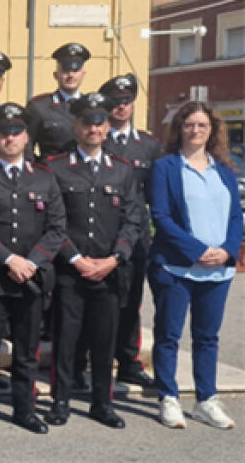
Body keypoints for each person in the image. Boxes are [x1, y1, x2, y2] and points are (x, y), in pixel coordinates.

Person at [0, 103, 66, 434]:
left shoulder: (45, 178)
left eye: (16, 133)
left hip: (30, 279)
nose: (10, 139)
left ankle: (25, 410)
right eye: (3, 133)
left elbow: (57, 228)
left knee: (26, 351)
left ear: (27, 137)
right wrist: (9, 259)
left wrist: (31, 262)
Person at [43, 92, 145, 429]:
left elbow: (133, 221)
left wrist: (115, 259)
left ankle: (102, 403)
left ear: (106, 127)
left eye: (99, 122)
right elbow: (53, 222)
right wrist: (75, 258)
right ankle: (60, 401)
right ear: (76, 126)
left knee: (106, 341)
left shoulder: (123, 170)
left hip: (109, 272)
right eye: (87, 122)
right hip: (70, 271)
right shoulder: (56, 167)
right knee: (66, 340)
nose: (93, 128)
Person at [148, 101, 241, 430]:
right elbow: (160, 216)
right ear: (179, 129)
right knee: (169, 335)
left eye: (202, 125)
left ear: (212, 130)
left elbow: (235, 216)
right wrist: (198, 250)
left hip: (219, 270)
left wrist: (228, 251)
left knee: (207, 337)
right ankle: (168, 398)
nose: (196, 130)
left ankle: (206, 400)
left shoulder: (225, 170)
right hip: (177, 267)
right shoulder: (166, 167)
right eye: (189, 125)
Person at [99, 73, 163, 388]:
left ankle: (128, 361)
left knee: (131, 302)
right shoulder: (97, 138)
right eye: (115, 102)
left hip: (136, 238)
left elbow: (156, 195)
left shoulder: (148, 145)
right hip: (99, 234)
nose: (121, 107)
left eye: (126, 101)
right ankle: (93, 361)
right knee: (99, 302)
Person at [26, 43, 90, 159]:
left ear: (83, 75)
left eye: (75, 70)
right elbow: (26, 147)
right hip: (52, 174)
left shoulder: (91, 106)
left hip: (84, 173)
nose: (70, 75)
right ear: (56, 75)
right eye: (65, 70)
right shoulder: (39, 107)